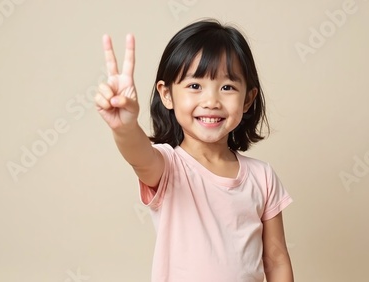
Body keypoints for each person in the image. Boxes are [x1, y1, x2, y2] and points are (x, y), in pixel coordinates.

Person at [95, 18, 294, 282]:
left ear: (248, 99)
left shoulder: (263, 177)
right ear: (167, 94)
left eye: (227, 87)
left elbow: (276, 260)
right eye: (195, 86)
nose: (211, 101)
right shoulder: (168, 165)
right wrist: (125, 127)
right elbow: (138, 155)